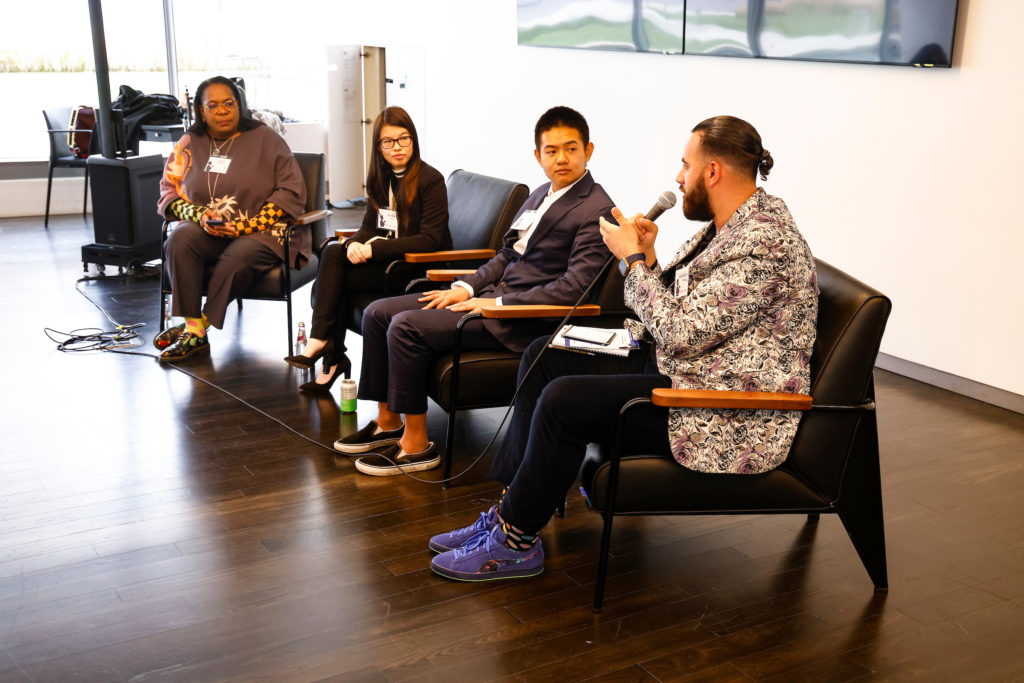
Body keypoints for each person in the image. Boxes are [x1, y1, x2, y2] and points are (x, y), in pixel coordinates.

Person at [428, 115, 819, 582]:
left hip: (721, 409)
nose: (678, 177)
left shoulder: (764, 241)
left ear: (712, 172)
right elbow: (688, 313)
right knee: (544, 356)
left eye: (685, 166)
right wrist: (650, 260)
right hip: (689, 369)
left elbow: (682, 333)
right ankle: (513, 510)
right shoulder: (731, 224)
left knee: (563, 401)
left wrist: (633, 261)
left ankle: (514, 543)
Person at [335, 106, 615, 476]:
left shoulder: (597, 210)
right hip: (491, 298)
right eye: (551, 150)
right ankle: (389, 423)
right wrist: (463, 287)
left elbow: (572, 290)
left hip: (518, 319)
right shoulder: (539, 194)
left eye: (571, 149)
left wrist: (494, 303)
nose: (561, 158)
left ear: (588, 151)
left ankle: (417, 446)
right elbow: (505, 254)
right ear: (538, 156)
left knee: (404, 326)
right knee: (378, 313)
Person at [284, 106, 451, 391]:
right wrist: (353, 244)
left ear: (414, 139)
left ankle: (328, 351)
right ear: (378, 146)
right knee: (335, 250)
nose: (396, 147)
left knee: (335, 278)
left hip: (416, 267)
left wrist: (373, 250)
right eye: (388, 141)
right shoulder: (380, 177)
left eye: (403, 139)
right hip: (388, 263)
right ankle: (325, 347)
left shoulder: (430, 180)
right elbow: (369, 227)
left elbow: (430, 240)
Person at [154, 76, 307, 363]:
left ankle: (195, 330)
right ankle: (193, 326)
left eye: (229, 103)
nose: (222, 110)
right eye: (213, 105)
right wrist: (199, 215)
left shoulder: (266, 139)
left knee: (239, 253)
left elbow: (291, 190)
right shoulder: (189, 143)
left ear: (239, 105)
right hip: (208, 228)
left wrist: (244, 226)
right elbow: (168, 190)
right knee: (180, 238)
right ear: (201, 110)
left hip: (262, 231)